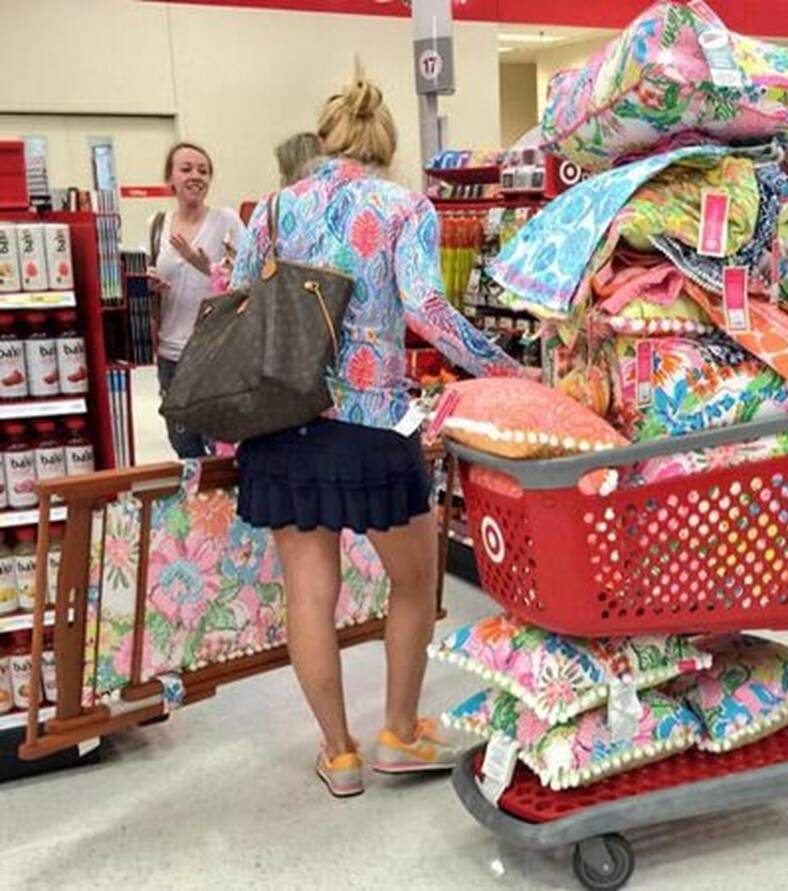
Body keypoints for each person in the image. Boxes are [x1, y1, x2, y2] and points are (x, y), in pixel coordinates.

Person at [230, 65, 527, 799]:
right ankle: (398, 730)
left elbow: (231, 301)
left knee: (309, 592)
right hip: (372, 422)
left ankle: (338, 753)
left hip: (281, 423)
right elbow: (426, 309)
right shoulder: (403, 208)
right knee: (415, 580)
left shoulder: (270, 210)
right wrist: (506, 368)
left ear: (326, 139)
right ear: (384, 147)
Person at [148, 142, 244, 459]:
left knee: (219, 440)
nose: (196, 176)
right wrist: (149, 284)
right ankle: (197, 504)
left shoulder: (226, 221)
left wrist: (206, 267)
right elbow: (142, 272)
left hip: (215, 351)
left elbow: (248, 279)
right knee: (182, 442)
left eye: (203, 170)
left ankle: (225, 505)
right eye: (186, 169)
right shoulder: (157, 225)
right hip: (170, 351)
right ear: (170, 179)